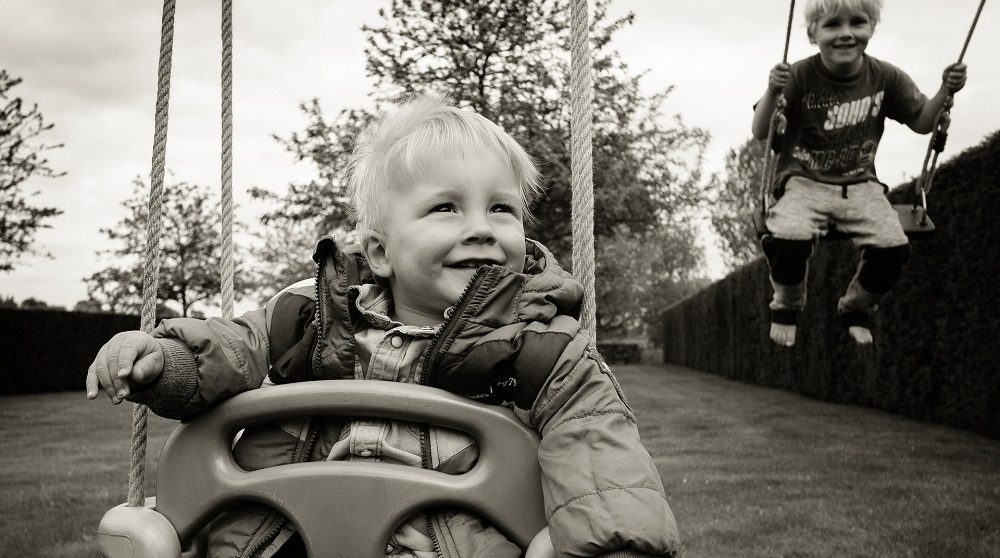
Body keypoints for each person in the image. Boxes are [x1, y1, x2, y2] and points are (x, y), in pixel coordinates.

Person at [86, 94, 681, 558]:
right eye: (447, 207)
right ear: (379, 253)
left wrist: (618, 538)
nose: (482, 227)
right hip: (285, 540)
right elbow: (234, 348)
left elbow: (594, 429)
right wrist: (162, 360)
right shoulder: (308, 315)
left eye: (501, 208)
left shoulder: (539, 340)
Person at [751, 0, 967, 347]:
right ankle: (787, 305)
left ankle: (856, 308)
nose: (846, 33)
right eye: (832, 25)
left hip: (860, 184)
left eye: (857, 23)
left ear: (872, 28)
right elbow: (762, 132)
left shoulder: (886, 76)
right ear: (812, 33)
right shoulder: (800, 76)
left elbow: (923, 122)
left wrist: (945, 91)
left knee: (894, 248)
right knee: (786, 236)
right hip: (804, 181)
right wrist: (773, 90)